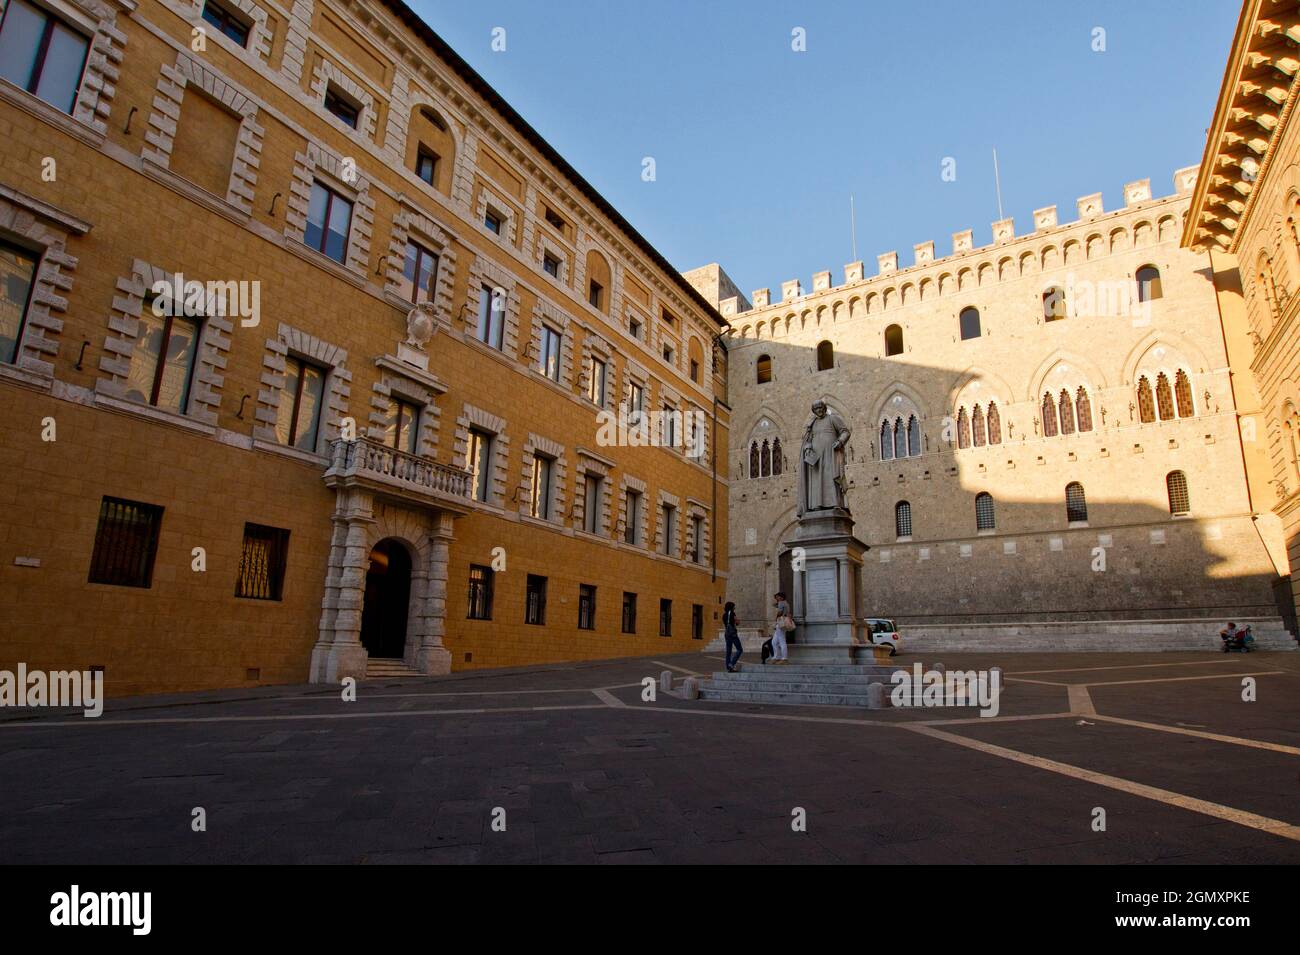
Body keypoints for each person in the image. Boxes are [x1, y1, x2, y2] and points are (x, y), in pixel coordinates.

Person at [771, 592, 791, 664]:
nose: (777, 598)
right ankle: (776, 657)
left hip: (780, 622)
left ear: (781, 597)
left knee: (782, 640)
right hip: (783, 622)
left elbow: (779, 612)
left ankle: (784, 658)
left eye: (777, 597)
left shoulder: (781, 603)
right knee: (774, 642)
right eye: (776, 597)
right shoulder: (785, 603)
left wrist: (776, 619)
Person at [722, 601, 742, 672]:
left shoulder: (724, 615)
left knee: (728, 651)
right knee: (739, 649)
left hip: (727, 634)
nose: (734, 607)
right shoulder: (732, 613)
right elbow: (737, 623)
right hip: (733, 633)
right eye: (734, 606)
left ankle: (728, 667)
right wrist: (738, 621)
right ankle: (732, 664)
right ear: (731, 607)